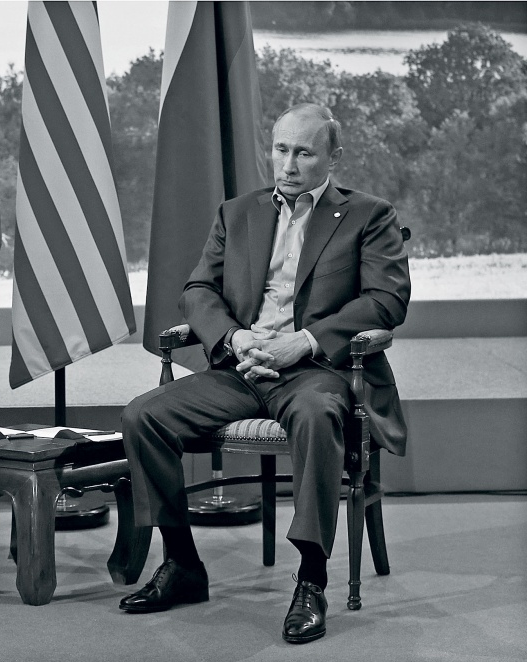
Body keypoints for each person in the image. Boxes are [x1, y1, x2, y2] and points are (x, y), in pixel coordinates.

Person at [118, 103, 410, 644]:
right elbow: (198, 290)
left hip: (316, 371)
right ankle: (181, 563)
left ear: (333, 158)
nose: (289, 164)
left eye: (304, 153)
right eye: (281, 150)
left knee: (318, 416)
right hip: (242, 368)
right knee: (143, 416)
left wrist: (304, 341)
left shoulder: (369, 215)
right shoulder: (238, 213)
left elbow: (386, 301)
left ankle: (311, 580)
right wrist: (235, 338)